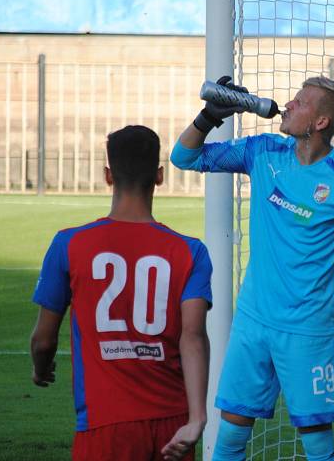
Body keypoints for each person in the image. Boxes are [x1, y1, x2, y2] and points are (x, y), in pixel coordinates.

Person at [171, 76, 334, 461]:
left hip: (308, 328)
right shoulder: (264, 151)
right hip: (253, 320)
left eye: (300, 102)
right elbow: (184, 157)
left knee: (318, 444)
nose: (287, 105)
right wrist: (209, 116)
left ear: (320, 122)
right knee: (230, 437)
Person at [30, 125, 213, 461]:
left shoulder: (69, 244)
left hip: (105, 421)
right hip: (173, 425)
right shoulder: (191, 252)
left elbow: (44, 340)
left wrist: (41, 370)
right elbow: (194, 337)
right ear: (159, 177)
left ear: (107, 175)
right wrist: (197, 418)